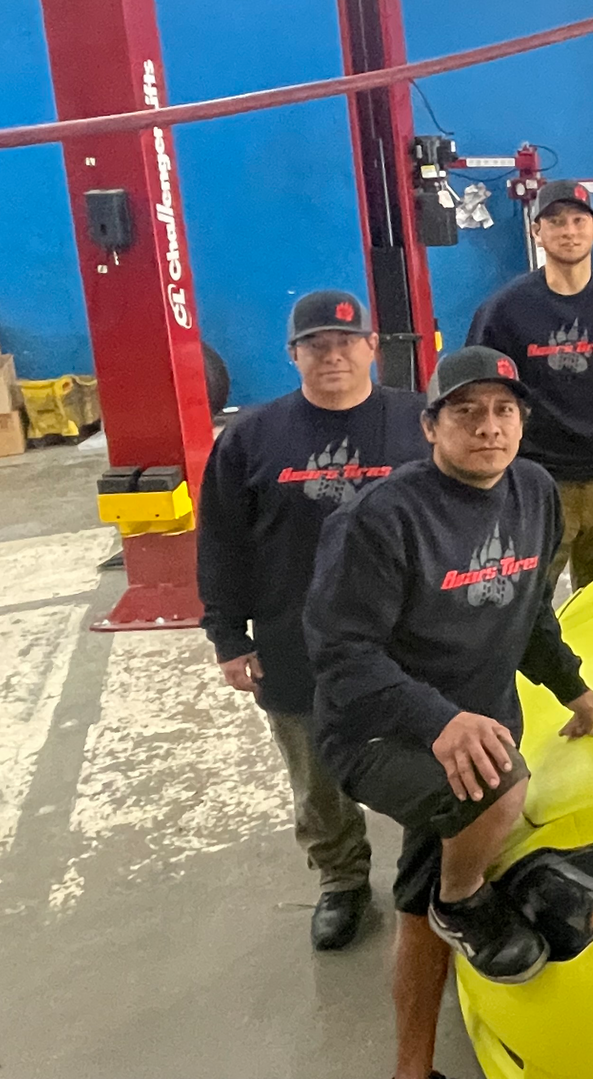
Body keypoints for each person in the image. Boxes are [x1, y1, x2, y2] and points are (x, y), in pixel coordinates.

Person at [304, 346, 593, 1079]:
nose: (489, 428)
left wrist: (573, 687)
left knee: (417, 900)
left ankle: (412, 1068)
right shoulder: (379, 520)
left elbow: (531, 611)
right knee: (497, 790)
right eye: (466, 413)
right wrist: (439, 721)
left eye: (504, 411)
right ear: (430, 427)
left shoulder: (535, 492)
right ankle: (464, 898)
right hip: (378, 731)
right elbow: (342, 653)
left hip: (469, 732)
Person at [196, 289, 429, 951]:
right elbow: (222, 542)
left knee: (430, 759)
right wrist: (227, 637)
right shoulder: (253, 437)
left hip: (408, 637)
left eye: (346, 342)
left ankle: (434, 871)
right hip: (295, 639)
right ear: (293, 355)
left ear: (372, 348)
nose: (333, 356)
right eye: (316, 345)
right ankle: (342, 880)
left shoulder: (418, 422)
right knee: (317, 774)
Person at [466, 178, 593, 591]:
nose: (568, 230)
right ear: (537, 232)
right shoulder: (505, 311)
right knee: (524, 600)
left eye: (578, 220)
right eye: (555, 222)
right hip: (537, 480)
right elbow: (478, 393)